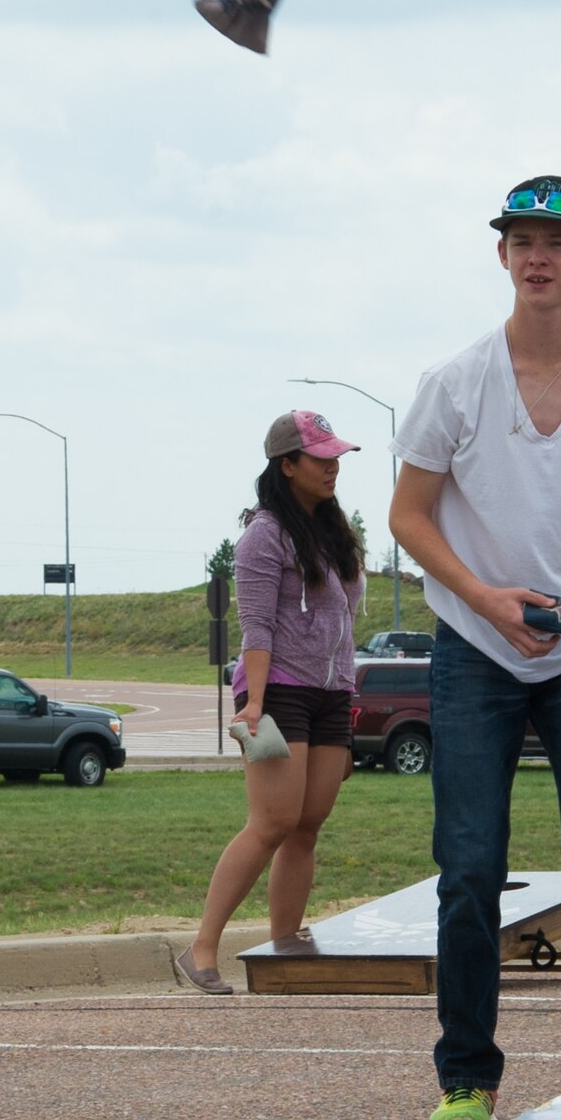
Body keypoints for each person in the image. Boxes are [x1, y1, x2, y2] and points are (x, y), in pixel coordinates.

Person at [390, 174, 561, 1120]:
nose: (537, 256)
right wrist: (482, 599)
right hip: (475, 647)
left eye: (558, 241)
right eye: (521, 240)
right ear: (501, 257)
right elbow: (407, 517)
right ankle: (466, 1078)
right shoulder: (455, 382)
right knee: (469, 863)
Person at [176, 411, 366, 995]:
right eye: (320, 458)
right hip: (278, 688)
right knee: (272, 822)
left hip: (332, 691)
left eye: (337, 457)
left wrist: (349, 692)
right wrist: (252, 703)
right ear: (287, 466)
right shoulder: (264, 534)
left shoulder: (333, 532)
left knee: (308, 824)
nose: (333, 467)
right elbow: (256, 628)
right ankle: (202, 946)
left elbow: (345, 620)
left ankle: (285, 952)